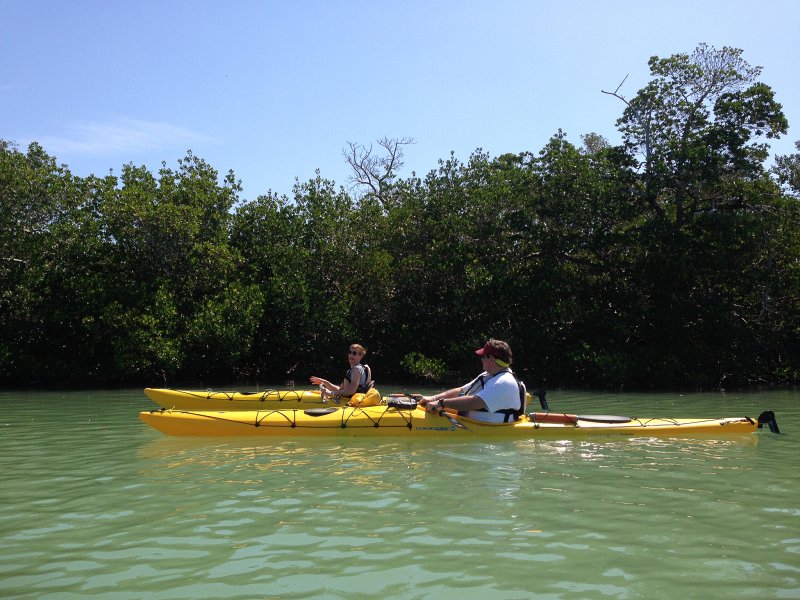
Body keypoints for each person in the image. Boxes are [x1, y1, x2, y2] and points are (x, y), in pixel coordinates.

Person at [418, 339, 523, 423]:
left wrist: (441, 403)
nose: (481, 359)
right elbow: (460, 390)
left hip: (484, 429)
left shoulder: (503, 382)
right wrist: (433, 398)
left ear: (491, 359)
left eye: (483, 356)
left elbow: (475, 402)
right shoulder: (488, 375)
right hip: (468, 421)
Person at [309, 343, 373, 400]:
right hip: (359, 401)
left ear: (361, 356)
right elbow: (341, 390)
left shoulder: (355, 370)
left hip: (351, 404)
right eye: (350, 352)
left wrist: (331, 393)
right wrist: (324, 382)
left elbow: (350, 391)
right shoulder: (366, 368)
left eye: (354, 353)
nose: (351, 355)